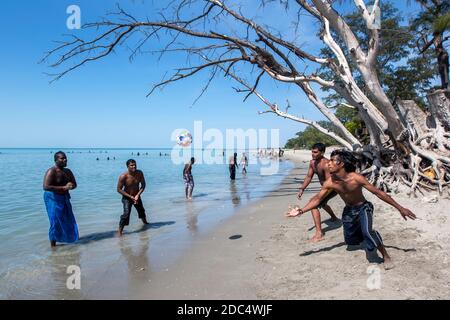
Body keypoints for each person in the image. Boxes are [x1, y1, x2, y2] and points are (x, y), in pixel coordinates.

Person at [287, 149, 416, 270]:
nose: (328, 163)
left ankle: (386, 256)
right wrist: (301, 211)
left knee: (367, 232)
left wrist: (400, 208)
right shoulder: (330, 182)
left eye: (332, 161)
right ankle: (367, 237)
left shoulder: (356, 178)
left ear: (341, 164)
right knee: (352, 243)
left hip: (363, 207)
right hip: (349, 211)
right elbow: (317, 200)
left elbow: (378, 193)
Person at [297, 143, 339, 242]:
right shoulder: (312, 163)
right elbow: (308, 177)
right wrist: (302, 189)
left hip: (332, 188)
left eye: (315, 152)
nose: (313, 154)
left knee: (314, 204)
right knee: (322, 203)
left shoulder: (326, 164)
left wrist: (319, 195)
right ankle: (334, 217)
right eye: (312, 151)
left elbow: (330, 182)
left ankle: (319, 233)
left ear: (322, 152)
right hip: (325, 188)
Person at [43, 151, 79, 247]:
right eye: (62, 158)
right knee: (54, 221)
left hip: (64, 198)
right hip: (52, 199)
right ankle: (53, 246)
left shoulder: (68, 171)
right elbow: (46, 186)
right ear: (56, 160)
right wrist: (63, 188)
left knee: (68, 219)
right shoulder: (51, 171)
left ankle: (69, 240)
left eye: (65, 158)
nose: (65, 160)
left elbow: (75, 184)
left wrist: (71, 186)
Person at [117, 159, 149, 236]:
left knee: (141, 210)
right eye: (131, 165)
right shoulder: (123, 176)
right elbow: (118, 189)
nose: (134, 166)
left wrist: (137, 195)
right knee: (126, 214)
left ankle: (146, 224)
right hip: (127, 197)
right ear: (127, 166)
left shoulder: (139, 173)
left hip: (136, 196)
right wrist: (130, 196)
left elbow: (143, 185)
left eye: (135, 164)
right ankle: (119, 232)